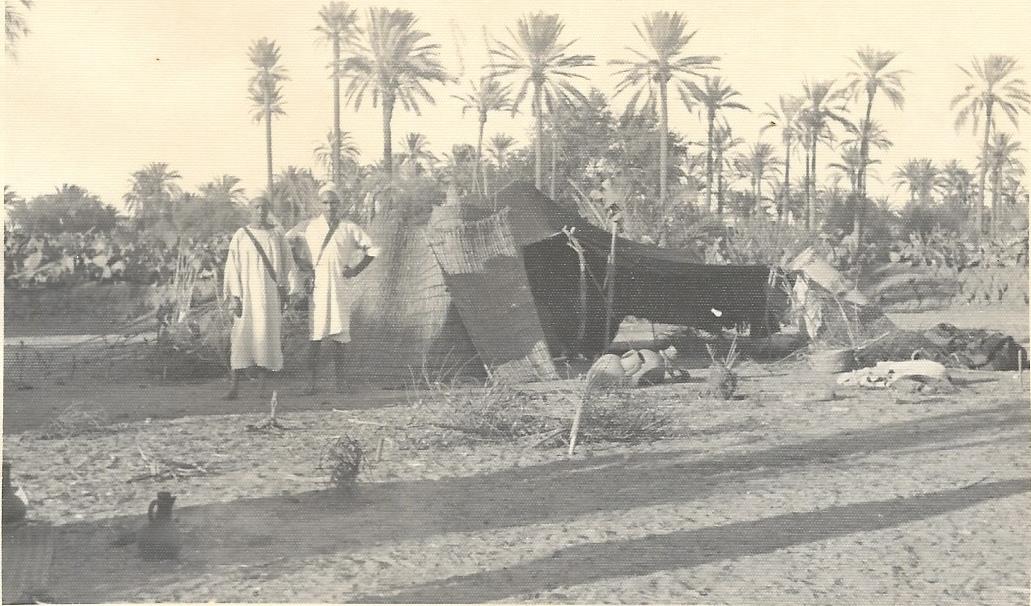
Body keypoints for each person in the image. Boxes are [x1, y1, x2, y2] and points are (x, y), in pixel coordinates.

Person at [287, 183, 379, 395]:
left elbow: (373, 249)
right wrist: (301, 264)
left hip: (340, 287)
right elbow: (286, 242)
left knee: (340, 335)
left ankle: (340, 382)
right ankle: (311, 383)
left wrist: (355, 270)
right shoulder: (308, 226)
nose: (329, 207)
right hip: (318, 288)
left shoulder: (349, 228)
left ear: (339, 204)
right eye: (325, 202)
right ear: (320, 204)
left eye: (333, 202)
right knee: (316, 336)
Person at [222, 197, 293, 400]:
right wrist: (235, 296)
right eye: (256, 207)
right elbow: (232, 267)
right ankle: (234, 387)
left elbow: (288, 263)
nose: (261, 211)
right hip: (246, 296)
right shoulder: (241, 235)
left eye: (264, 207)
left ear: (269, 209)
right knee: (240, 338)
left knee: (266, 337)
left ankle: (261, 388)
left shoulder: (277, 234)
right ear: (250, 210)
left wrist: (287, 290)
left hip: (270, 296)